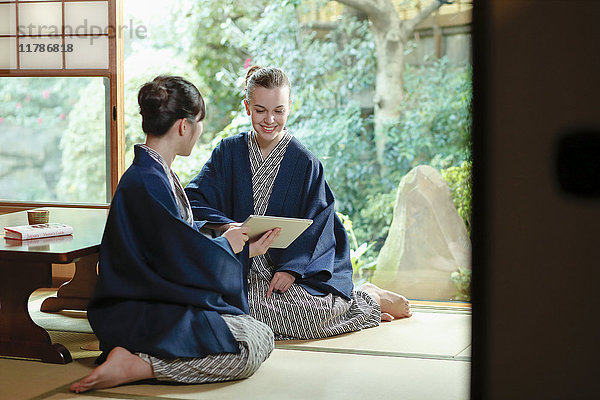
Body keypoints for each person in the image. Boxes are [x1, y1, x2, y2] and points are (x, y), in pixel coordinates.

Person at [70, 75, 274, 394]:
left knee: (259, 333)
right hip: (136, 309)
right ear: (183, 126)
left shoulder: (154, 174)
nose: (200, 130)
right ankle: (138, 364)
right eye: (200, 122)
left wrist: (231, 238)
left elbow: (175, 241)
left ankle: (139, 361)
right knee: (247, 348)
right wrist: (226, 246)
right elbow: (175, 255)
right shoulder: (145, 181)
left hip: (156, 299)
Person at [185, 66, 411, 341]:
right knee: (225, 311)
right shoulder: (228, 152)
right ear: (247, 107)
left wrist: (291, 268)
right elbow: (194, 199)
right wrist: (227, 226)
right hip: (239, 264)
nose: (269, 119)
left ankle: (367, 298)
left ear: (290, 107)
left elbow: (321, 222)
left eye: (278, 111)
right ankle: (362, 304)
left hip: (283, 271)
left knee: (308, 315)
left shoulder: (304, 161)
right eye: (260, 110)